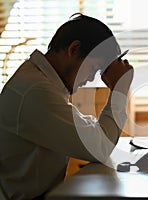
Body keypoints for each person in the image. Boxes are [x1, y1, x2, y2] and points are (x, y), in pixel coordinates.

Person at [0, 13, 133, 200]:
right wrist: (119, 90)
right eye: (93, 69)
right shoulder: (35, 91)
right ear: (74, 49)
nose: (88, 79)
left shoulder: (41, 82)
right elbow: (99, 148)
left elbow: (89, 132)